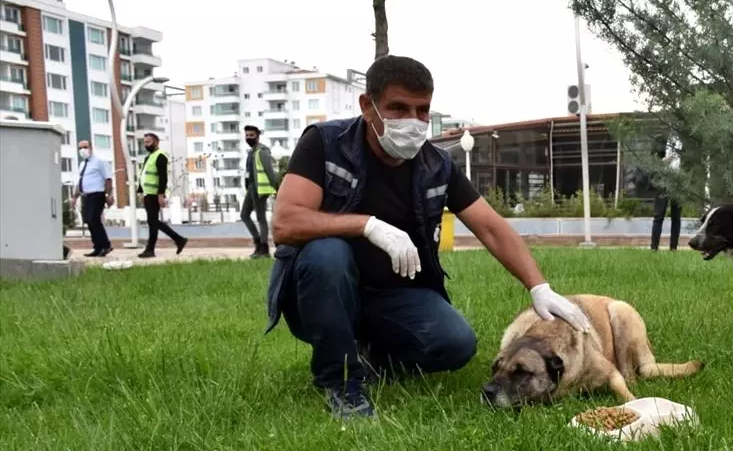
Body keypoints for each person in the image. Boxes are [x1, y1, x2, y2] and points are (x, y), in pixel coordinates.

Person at [267, 55, 591, 419]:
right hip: (322, 293)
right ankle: (341, 380)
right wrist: (367, 225)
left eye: (422, 110)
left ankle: (370, 355)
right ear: (367, 106)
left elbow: (490, 226)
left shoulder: (436, 165)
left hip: (390, 297)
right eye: (398, 108)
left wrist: (538, 287)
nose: (414, 121)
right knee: (327, 254)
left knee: (456, 343)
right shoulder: (325, 144)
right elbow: (286, 222)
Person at [136, 133, 188, 258]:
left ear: (156, 142)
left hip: (154, 194)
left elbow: (163, 178)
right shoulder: (149, 157)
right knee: (152, 221)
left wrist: (160, 195)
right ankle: (178, 239)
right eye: (145, 142)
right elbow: (143, 176)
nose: (146, 145)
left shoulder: (160, 156)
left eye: (148, 142)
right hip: (148, 194)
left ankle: (151, 249)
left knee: (152, 221)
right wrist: (142, 193)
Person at [242, 125, 280, 259]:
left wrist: (276, 187)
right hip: (251, 187)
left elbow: (269, 171)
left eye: (251, 135)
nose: (248, 138)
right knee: (244, 214)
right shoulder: (251, 152)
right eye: (247, 135)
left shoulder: (262, 151)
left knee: (261, 218)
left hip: (260, 189)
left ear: (257, 136)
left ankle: (263, 249)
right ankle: (258, 243)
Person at [72, 139, 114, 257]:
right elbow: (80, 181)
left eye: (85, 147)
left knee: (94, 220)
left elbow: (108, 179)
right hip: (86, 196)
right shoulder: (82, 164)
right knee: (89, 222)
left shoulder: (99, 162)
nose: (82, 150)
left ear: (91, 148)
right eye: (80, 148)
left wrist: (108, 195)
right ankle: (98, 247)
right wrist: (75, 197)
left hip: (97, 195)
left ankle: (106, 245)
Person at [650, 135, 682, 251]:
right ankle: (654, 248)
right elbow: (652, 162)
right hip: (663, 182)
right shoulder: (659, 140)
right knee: (658, 216)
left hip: (678, 182)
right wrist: (663, 161)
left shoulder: (686, 141)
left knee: (676, 217)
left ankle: (673, 248)